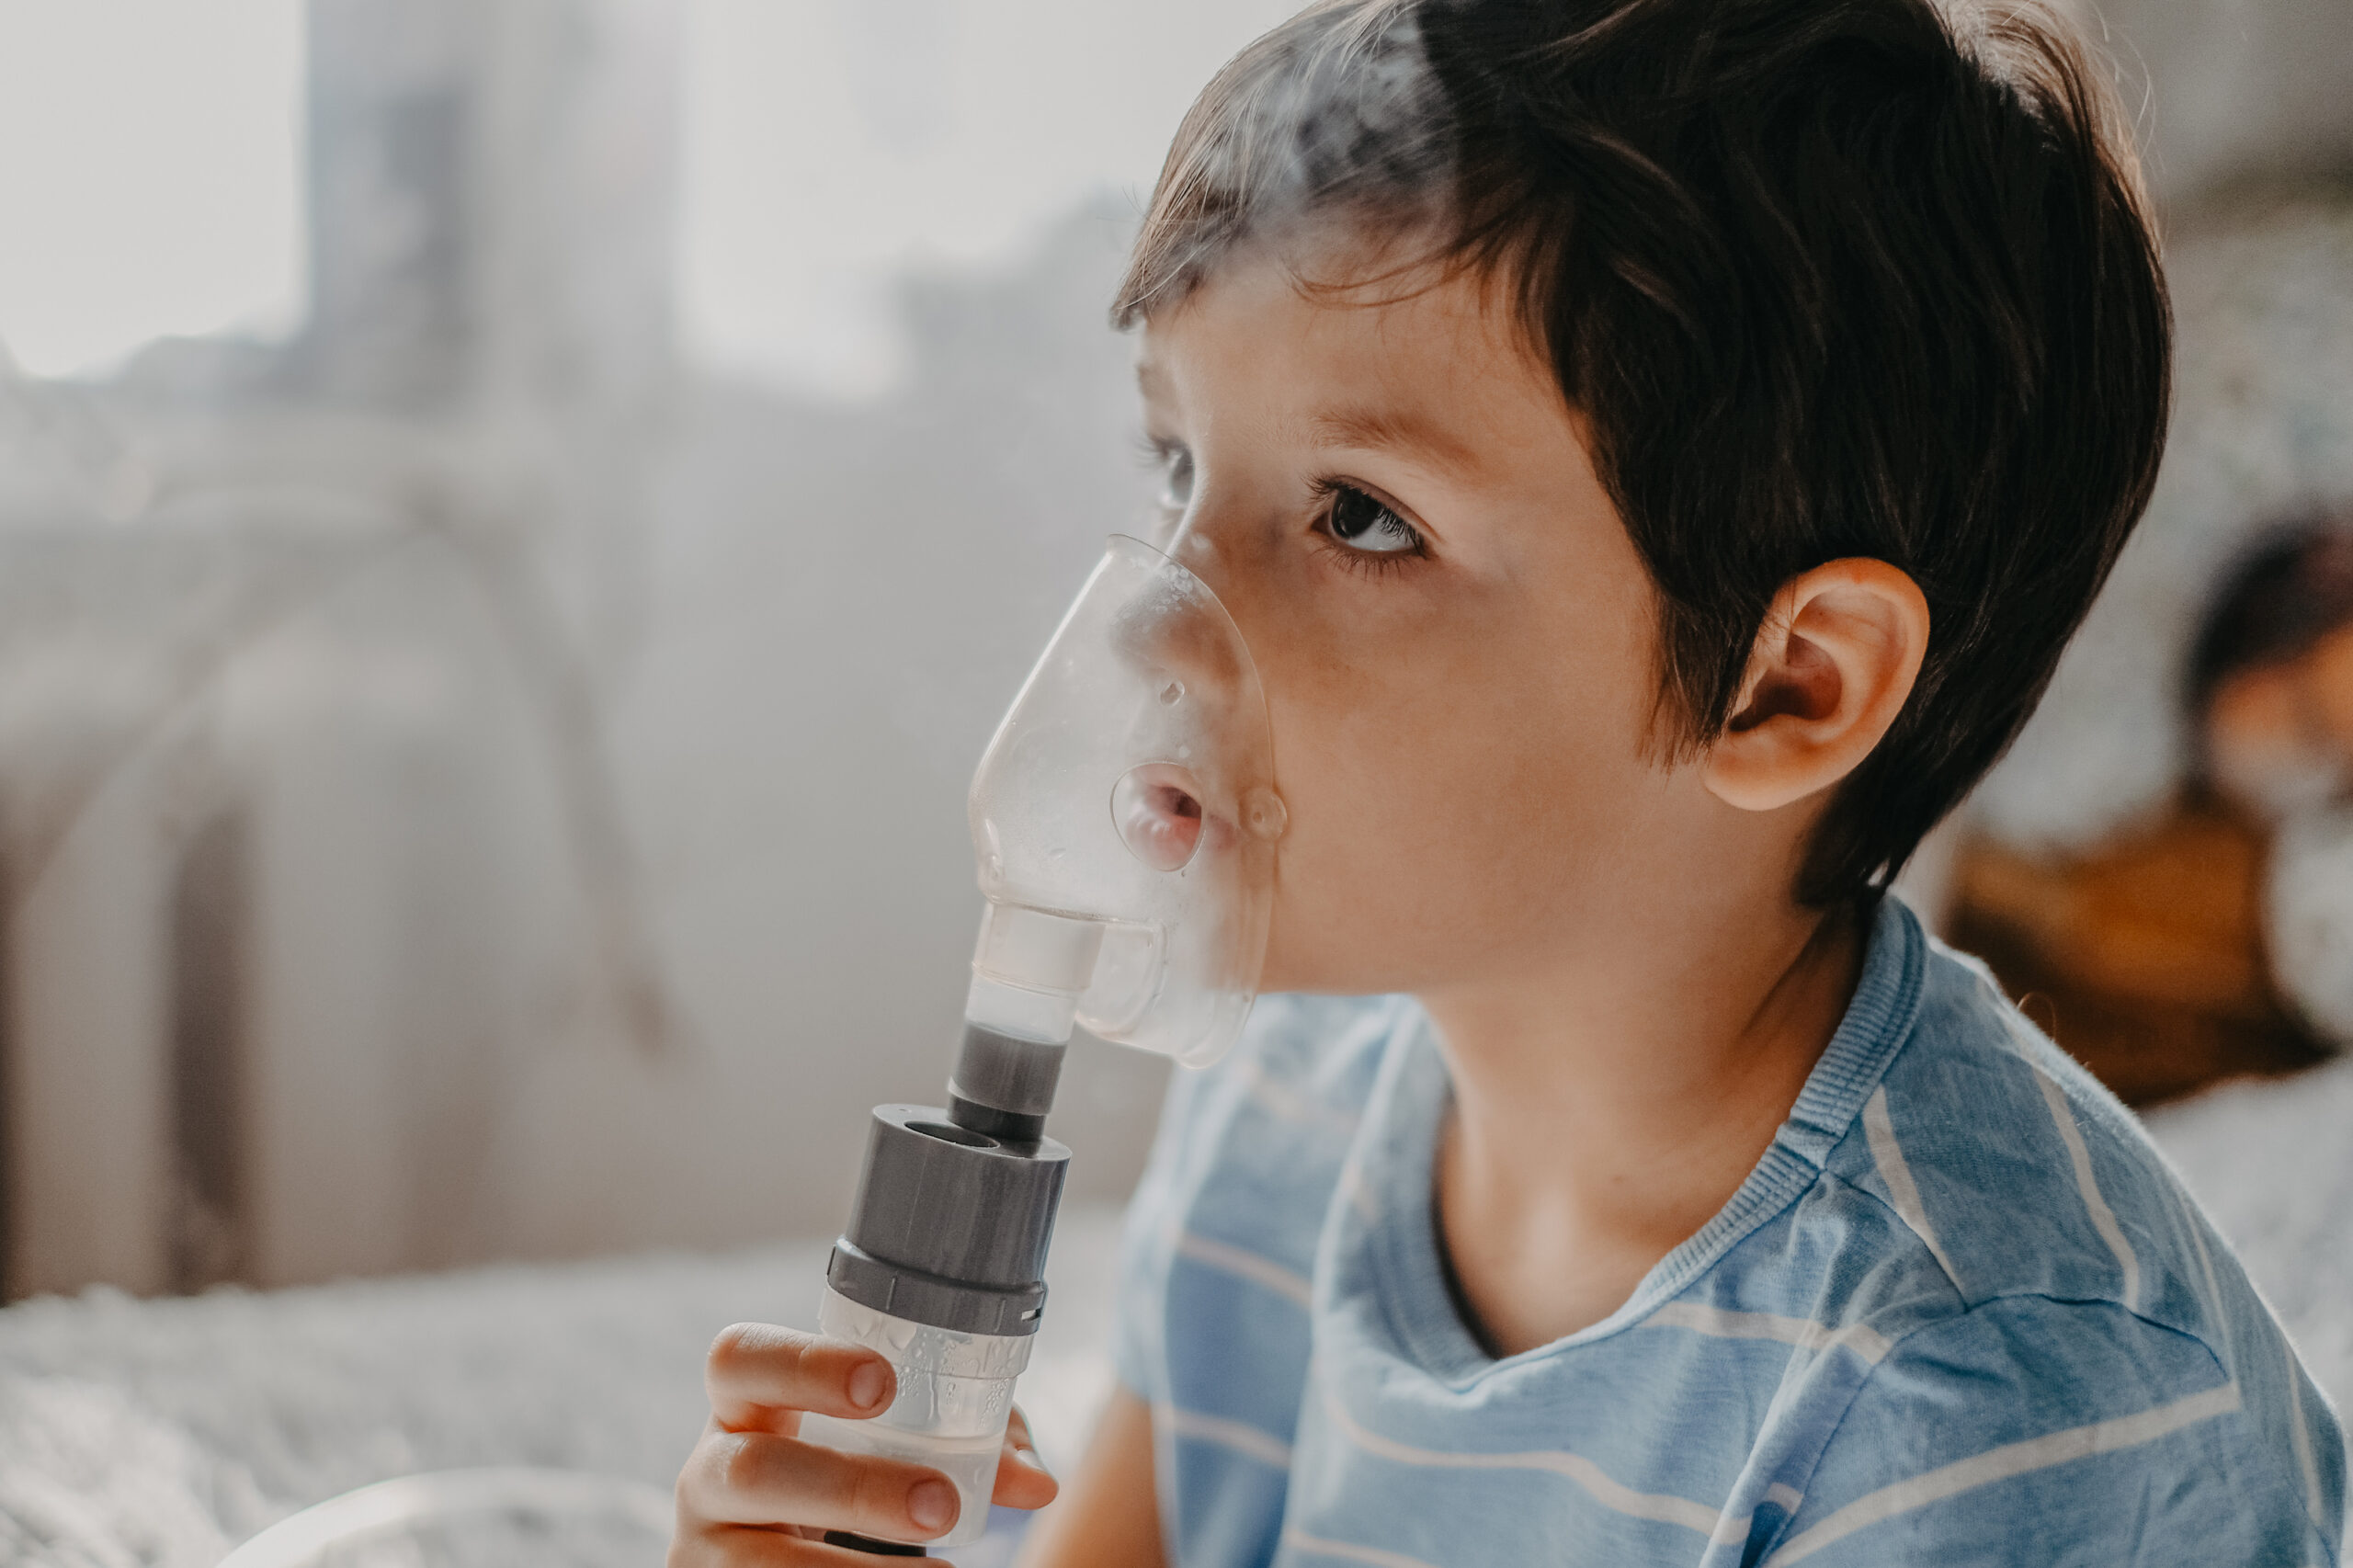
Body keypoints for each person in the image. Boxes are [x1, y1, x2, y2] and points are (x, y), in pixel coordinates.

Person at [669, 0, 2347, 1562]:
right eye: (1180, 463)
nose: (1159, 635)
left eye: (1361, 516)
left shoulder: (1998, 1403)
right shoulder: (1303, 1094)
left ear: (1786, 685)